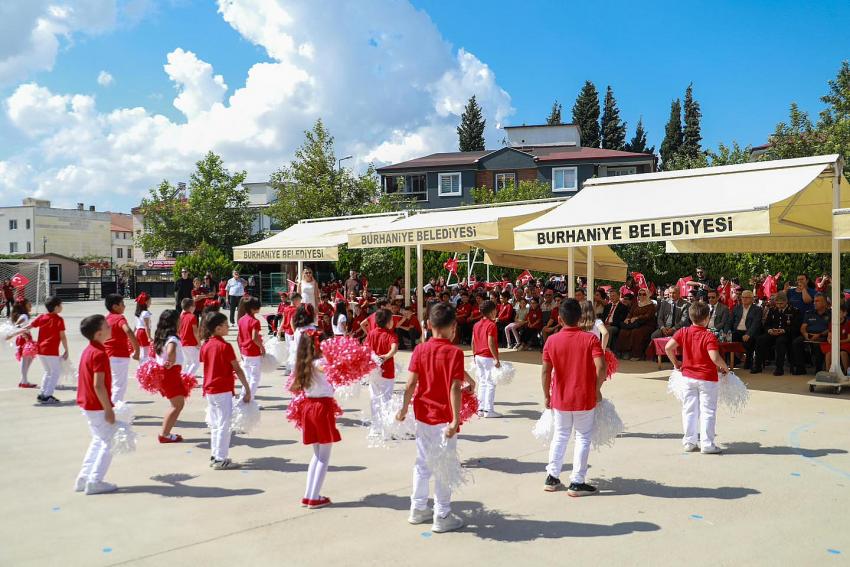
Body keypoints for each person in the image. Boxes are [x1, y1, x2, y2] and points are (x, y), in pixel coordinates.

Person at [396, 303, 472, 533]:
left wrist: (402, 409)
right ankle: (442, 513)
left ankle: (417, 508)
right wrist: (455, 420)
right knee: (444, 465)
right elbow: (455, 388)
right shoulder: (455, 352)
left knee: (422, 462)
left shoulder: (420, 350)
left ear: (428, 325)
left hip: (423, 415)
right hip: (443, 418)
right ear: (453, 327)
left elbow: (410, 383)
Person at [541, 298, 606, 495]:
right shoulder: (590, 339)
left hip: (560, 397)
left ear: (560, 319)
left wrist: (546, 394)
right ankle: (577, 481)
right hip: (584, 396)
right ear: (580, 318)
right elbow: (601, 367)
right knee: (583, 437)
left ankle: (552, 477)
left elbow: (545, 371)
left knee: (560, 435)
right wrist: (597, 389)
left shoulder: (552, 340)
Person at [665, 301, 729, 454]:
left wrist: (676, 363)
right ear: (707, 318)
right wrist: (725, 367)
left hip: (688, 377)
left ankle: (689, 441)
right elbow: (714, 357)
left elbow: (668, 348)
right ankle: (707, 444)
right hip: (707, 378)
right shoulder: (709, 336)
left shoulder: (683, 331)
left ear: (690, 317)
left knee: (689, 410)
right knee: (708, 411)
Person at [290, 329, 341, 509]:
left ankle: (309, 495)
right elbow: (330, 368)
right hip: (321, 408)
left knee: (317, 455)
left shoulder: (304, 363)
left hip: (309, 407)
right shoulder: (319, 362)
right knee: (324, 457)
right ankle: (314, 498)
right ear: (317, 344)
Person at [200, 312, 251, 470]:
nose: (228, 327)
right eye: (225, 325)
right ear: (217, 328)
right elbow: (237, 369)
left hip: (210, 389)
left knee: (216, 424)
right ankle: (221, 458)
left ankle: (215, 455)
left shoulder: (206, 345)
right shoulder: (225, 346)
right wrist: (247, 389)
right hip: (221, 389)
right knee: (224, 424)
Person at [74, 314, 118, 495]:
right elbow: (98, 384)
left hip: (87, 404)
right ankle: (95, 480)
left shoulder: (89, 350)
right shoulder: (99, 354)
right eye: (107, 327)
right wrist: (108, 409)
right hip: (97, 405)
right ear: (99, 333)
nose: (110, 328)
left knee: (98, 440)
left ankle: (84, 478)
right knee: (110, 442)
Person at [11, 296, 70, 404]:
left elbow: (29, 326)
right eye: (60, 305)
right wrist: (66, 350)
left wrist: (14, 331)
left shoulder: (42, 317)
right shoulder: (59, 319)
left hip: (41, 350)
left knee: (48, 372)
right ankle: (47, 395)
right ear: (56, 307)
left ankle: (42, 394)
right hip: (51, 350)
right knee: (55, 372)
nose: (61, 307)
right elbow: (63, 336)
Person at [152, 309, 187, 443]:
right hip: (170, 373)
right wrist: (171, 360)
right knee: (177, 405)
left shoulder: (160, 336)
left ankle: (166, 433)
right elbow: (171, 350)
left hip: (167, 373)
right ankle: (165, 434)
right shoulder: (172, 338)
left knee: (176, 404)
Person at [366, 309, 399, 438]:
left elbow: (366, 349)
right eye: (391, 319)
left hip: (373, 372)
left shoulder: (371, 334)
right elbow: (394, 348)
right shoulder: (391, 335)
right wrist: (386, 357)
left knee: (374, 399)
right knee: (386, 399)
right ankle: (386, 428)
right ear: (387, 321)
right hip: (387, 372)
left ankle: (376, 428)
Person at [752, 292, 800, 376]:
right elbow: (767, 324)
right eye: (777, 303)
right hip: (773, 333)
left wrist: (783, 330)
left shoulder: (793, 311)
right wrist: (769, 330)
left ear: (786, 302)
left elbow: (795, 327)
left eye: (781, 303)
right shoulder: (773, 310)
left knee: (780, 342)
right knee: (760, 339)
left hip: (786, 334)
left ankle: (779, 368)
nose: (779, 305)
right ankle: (757, 366)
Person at [104, 293, 140, 404]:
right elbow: (128, 330)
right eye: (122, 304)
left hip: (106, 354)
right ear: (115, 306)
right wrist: (137, 350)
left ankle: (108, 407)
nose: (124, 306)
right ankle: (113, 412)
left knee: (110, 383)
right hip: (119, 355)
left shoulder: (106, 318)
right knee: (119, 385)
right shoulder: (119, 318)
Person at [473, 300, 500, 418]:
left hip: (478, 356)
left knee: (482, 382)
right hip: (487, 356)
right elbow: (490, 342)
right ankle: (489, 410)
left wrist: (474, 355)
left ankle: (480, 408)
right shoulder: (491, 325)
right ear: (491, 311)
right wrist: (496, 358)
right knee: (491, 383)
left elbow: (473, 341)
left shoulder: (476, 324)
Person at [791, 293, 830, 375]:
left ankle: (818, 369)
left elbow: (830, 329)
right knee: (796, 342)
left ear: (824, 303)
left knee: (817, 345)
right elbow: (803, 327)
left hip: (823, 336)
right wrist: (805, 335)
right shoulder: (809, 313)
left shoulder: (830, 314)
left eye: (817, 301)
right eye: (814, 301)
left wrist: (820, 335)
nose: (814, 303)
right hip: (809, 335)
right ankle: (800, 368)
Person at [237, 296, 265, 399]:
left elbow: (239, 337)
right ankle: (249, 398)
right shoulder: (255, 321)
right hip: (253, 352)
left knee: (248, 378)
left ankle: (242, 397)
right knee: (255, 378)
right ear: (253, 308)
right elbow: (254, 338)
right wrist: (262, 347)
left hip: (244, 351)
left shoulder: (241, 320)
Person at [616, 289, 656, 361]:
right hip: (635, 324)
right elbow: (630, 313)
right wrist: (627, 318)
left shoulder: (651, 306)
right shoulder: (636, 304)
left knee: (636, 332)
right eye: (640, 294)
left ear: (647, 295)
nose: (641, 296)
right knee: (623, 331)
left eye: (644, 294)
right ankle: (625, 352)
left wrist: (637, 318)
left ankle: (637, 354)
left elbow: (648, 316)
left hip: (647, 325)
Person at [731, 290, 763, 369]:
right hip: (737, 331)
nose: (744, 299)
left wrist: (748, 334)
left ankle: (749, 360)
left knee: (750, 340)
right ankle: (734, 360)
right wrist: (728, 331)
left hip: (749, 331)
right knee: (730, 338)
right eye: (743, 297)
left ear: (752, 299)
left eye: (747, 297)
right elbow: (731, 321)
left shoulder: (757, 309)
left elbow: (756, 323)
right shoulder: (736, 308)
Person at [11, 300, 37, 388]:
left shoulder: (24, 316)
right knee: (26, 360)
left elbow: (17, 325)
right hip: (24, 339)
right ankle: (24, 382)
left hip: (25, 338)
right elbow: (16, 326)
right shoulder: (24, 316)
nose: (31, 305)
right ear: (24, 306)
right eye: (29, 304)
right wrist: (24, 334)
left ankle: (23, 380)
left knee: (28, 360)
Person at [822, 303, 850, 374]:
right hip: (835, 343)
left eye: (839, 312)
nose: (836, 314)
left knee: (843, 352)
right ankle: (828, 372)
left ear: (844, 313)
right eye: (834, 312)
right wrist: (829, 339)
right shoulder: (832, 323)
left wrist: (838, 342)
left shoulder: (848, 323)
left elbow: (849, 339)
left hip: (845, 343)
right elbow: (829, 335)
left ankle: (847, 372)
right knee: (829, 352)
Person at [178, 298, 201, 377]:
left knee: (189, 361)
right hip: (191, 342)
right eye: (194, 306)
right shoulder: (192, 317)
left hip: (182, 342)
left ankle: (185, 375)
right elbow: (195, 332)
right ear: (191, 307)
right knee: (196, 362)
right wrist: (199, 343)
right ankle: (188, 378)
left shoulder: (181, 316)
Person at [134, 293, 152, 363]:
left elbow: (135, 325)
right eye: (150, 301)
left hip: (138, 332)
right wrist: (149, 337)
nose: (151, 303)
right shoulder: (145, 313)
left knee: (141, 350)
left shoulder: (138, 312)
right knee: (146, 352)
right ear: (146, 302)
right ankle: (144, 367)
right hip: (143, 333)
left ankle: (141, 365)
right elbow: (147, 326)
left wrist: (133, 333)